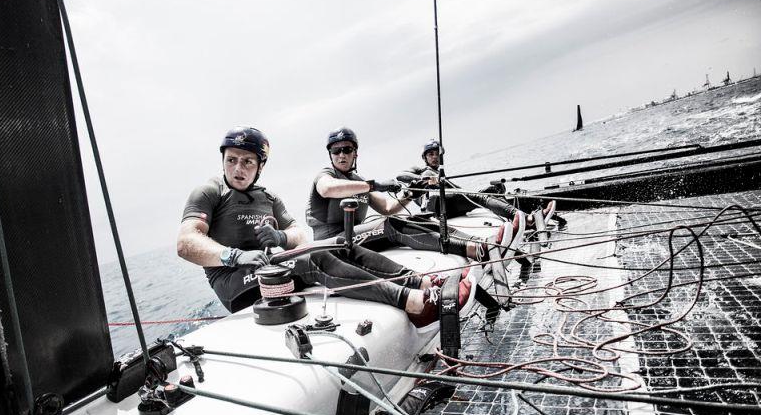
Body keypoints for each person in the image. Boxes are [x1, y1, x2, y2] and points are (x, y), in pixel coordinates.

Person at [176, 126, 463, 329]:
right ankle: (413, 303)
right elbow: (187, 241)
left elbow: (298, 235)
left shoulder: (269, 197)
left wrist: (280, 236)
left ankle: (420, 283)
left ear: (260, 166)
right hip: (235, 285)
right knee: (314, 259)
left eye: (248, 161)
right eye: (232, 160)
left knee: (340, 247)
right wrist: (234, 256)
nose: (238, 169)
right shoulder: (210, 191)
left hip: (269, 270)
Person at [305, 127, 518, 262]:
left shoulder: (358, 181)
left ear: (355, 153)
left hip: (357, 239)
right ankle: (474, 250)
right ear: (330, 154)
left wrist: (409, 193)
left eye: (347, 149)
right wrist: (374, 185)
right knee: (390, 225)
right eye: (336, 150)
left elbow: (388, 208)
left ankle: (479, 243)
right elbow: (327, 188)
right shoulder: (326, 175)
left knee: (413, 218)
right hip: (332, 245)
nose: (341, 154)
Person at [398, 139, 560, 229]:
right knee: (481, 197)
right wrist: (424, 178)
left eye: (437, 154)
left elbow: (458, 191)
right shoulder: (422, 170)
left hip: (450, 202)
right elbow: (400, 176)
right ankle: (526, 219)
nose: (435, 157)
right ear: (425, 157)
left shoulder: (441, 173)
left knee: (494, 189)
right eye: (431, 154)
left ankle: (514, 220)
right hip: (438, 206)